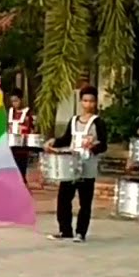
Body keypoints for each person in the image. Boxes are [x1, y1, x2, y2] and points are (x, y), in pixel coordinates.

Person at [44, 85, 107, 242]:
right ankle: (65, 230)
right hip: (70, 167)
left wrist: (94, 147)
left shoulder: (98, 122)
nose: (88, 104)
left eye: (91, 101)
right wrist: (54, 142)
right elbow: (66, 139)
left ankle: (81, 232)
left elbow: (104, 144)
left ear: (95, 102)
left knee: (85, 202)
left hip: (87, 167)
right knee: (63, 199)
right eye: (85, 101)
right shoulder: (73, 121)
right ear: (81, 102)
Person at [7, 89, 34, 179]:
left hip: (22, 148)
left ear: (21, 99)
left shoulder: (27, 113)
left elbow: (31, 129)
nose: (14, 104)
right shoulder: (10, 112)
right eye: (12, 101)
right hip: (11, 147)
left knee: (21, 173)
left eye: (16, 101)